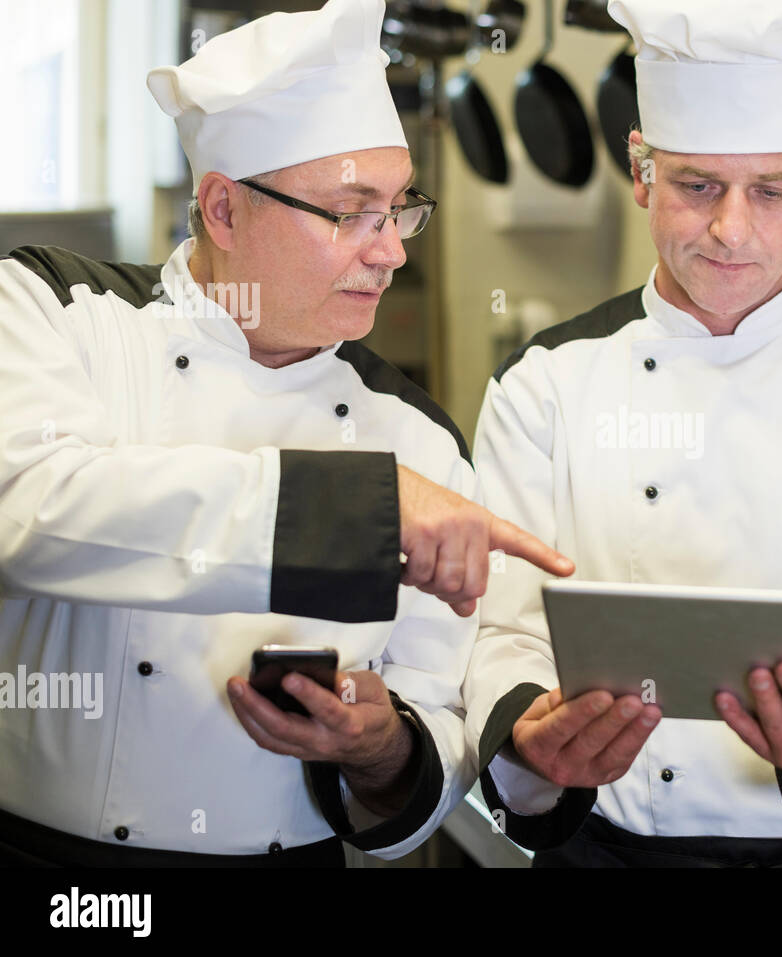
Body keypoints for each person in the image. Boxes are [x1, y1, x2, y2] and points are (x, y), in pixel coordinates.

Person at [0, 0, 569, 866]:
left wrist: (381, 747)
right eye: (351, 213)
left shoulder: (417, 439)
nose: (392, 253)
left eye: (400, 209)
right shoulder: (53, 310)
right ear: (223, 211)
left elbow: (434, 732)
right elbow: (29, 517)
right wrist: (356, 509)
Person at [462, 0, 782, 866]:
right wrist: (531, 734)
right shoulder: (545, 381)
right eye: (696, 185)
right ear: (641, 170)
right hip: (612, 848)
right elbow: (506, 630)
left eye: (772, 190)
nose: (730, 230)